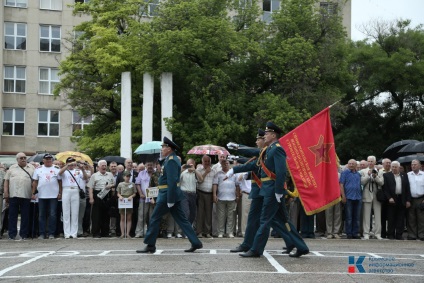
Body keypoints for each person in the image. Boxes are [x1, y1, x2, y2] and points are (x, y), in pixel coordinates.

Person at [234, 123, 309, 258]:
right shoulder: (269, 149)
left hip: (273, 191)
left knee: (265, 220)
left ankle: (256, 249)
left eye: (267, 133)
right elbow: (255, 160)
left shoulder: (277, 149)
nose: (265, 135)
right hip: (270, 190)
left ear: (273, 135)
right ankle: (301, 246)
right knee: (284, 221)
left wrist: (278, 191)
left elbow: (281, 172)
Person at [136, 137, 203, 253]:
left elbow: (172, 181)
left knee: (155, 218)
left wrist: (170, 199)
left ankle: (150, 245)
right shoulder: (170, 159)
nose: (161, 149)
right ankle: (196, 242)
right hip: (169, 193)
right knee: (182, 220)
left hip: (167, 194)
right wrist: (161, 158)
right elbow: (164, 170)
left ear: (169, 148)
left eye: (163, 147)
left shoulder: (172, 160)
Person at [3, 153, 35, 240]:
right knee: (12, 216)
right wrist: (6, 193)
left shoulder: (32, 168)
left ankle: (24, 234)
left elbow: (34, 182)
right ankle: (12, 234)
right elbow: (6, 181)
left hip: (26, 195)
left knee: (25, 216)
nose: (23, 159)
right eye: (21, 158)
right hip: (14, 195)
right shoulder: (12, 168)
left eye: (25, 158)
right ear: (17, 160)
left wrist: (33, 193)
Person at [32, 154, 62, 239]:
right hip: (41, 195)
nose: (48, 161)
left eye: (50, 159)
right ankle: (42, 233)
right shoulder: (38, 169)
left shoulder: (56, 168)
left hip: (53, 195)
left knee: (52, 214)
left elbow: (60, 181)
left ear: (52, 160)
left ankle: (51, 233)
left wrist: (60, 193)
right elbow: (35, 182)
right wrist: (33, 193)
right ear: (43, 160)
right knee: (42, 214)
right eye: (47, 159)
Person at [59, 157, 88, 239]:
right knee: (66, 212)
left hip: (75, 190)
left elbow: (85, 178)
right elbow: (59, 173)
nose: (71, 164)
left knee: (75, 212)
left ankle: (74, 233)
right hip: (66, 190)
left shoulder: (78, 171)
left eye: (72, 162)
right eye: (69, 162)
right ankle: (67, 233)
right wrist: (67, 165)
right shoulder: (65, 171)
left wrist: (82, 169)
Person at [382, 161, 411, 240]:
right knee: (391, 218)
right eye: (393, 167)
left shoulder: (404, 175)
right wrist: (389, 198)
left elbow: (407, 188)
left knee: (400, 218)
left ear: (399, 167)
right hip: (391, 199)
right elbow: (385, 189)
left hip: (401, 198)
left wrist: (408, 200)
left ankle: (399, 234)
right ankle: (390, 234)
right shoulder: (386, 175)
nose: (394, 168)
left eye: (395, 167)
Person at [88, 160, 115, 238]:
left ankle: (105, 232)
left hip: (107, 194)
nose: (104, 167)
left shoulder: (110, 174)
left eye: (105, 165)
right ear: (99, 167)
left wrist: (110, 186)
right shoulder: (94, 175)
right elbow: (90, 187)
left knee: (106, 214)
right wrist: (91, 198)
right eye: (102, 165)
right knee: (96, 215)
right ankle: (96, 232)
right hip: (98, 194)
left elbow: (114, 183)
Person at [213, 159, 240, 238]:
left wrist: (238, 195)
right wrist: (214, 195)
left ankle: (229, 232)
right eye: (224, 163)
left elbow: (237, 185)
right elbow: (215, 184)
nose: (225, 164)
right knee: (221, 216)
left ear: (229, 164)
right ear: (221, 165)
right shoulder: (218, 174)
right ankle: (220, 232)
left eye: (227, 163)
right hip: (221, 197)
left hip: (232, 197)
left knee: (231, 216)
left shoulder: (233, 174)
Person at [360, 155, 384, 240]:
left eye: (371, 161)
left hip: (377, 195)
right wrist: (368, 175)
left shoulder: (380, 171)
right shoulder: (363, 171)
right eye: (369, 161)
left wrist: (375, 176)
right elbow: (362, 182)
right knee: (366, 215)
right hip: (367, 194)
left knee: (378, 215)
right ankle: (366, 233)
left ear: (375, 162)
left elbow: (381, 182)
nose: (370, 163)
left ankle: (377, 233)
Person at [340, 159, 362, 239]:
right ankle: (349, 233)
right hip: (348, 197)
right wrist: (343, 196)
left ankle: (355, 233)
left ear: (356, 165)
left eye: (353, 164)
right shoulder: (344, 173)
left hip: (358, 197)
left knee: (357, 217)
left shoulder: (358, 174)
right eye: (350, 163)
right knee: (349, 217)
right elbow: (341, 185)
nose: (351, 165)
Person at [196, 155, 217, 238]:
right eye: (205, 161)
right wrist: (206, 172)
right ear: (202, 162)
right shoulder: (198, 170)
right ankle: (199, 232)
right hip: (201, 192)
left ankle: (207, 232)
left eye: (208, 161)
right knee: (200, 213)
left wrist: (214, 194)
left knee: (209, 213)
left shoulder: (214, 171)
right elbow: (199, 181)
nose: (207, 163)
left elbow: (215, 183)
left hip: (210, 193)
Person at [134, 162, 156, 238]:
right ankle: (139, 232)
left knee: (152, 216)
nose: (150, 166)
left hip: (154, 198)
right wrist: (140, 193)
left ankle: (152, 232)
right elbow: (138, 184)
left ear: (154, 165)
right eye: (148, 165)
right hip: (143, 198)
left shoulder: (156, 174)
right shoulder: (141, 173)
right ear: (146, 166)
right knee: (141, 215)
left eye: (151, 165)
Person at [406, 159, 424, 241]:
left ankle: (421, 234)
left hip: (421, 198)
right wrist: (407, 200)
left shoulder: (423, 175)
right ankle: (412, 235)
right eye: (412, 164)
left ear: (420, 166)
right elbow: (405, 189)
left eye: (415, 164)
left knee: (421, 218)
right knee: (411, 218)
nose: (413, 166)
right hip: (411, 199)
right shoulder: (408, 175)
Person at [117, 171, 137, 238]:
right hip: (122, 200)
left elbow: (134, 193)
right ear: (123, 177)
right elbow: (118, 193)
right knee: (122, 218)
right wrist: (120, 196)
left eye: (129, 176)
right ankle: (122, 233)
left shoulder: (132, 184)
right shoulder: (120, 184)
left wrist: (131, 196)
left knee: (129, 217)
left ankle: (128, 233)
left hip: (129, 200)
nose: (128, 178)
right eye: (127, 176)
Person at [380, 158, 391, 239]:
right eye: (386, 163)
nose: (388, 164)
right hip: (382, 197)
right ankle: (383, 232)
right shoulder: (380, 171)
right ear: (383, 164)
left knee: (390, 216)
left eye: (389, 163)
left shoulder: (393, 171)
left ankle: (390, 232)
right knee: (382, 216)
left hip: (391, 196)